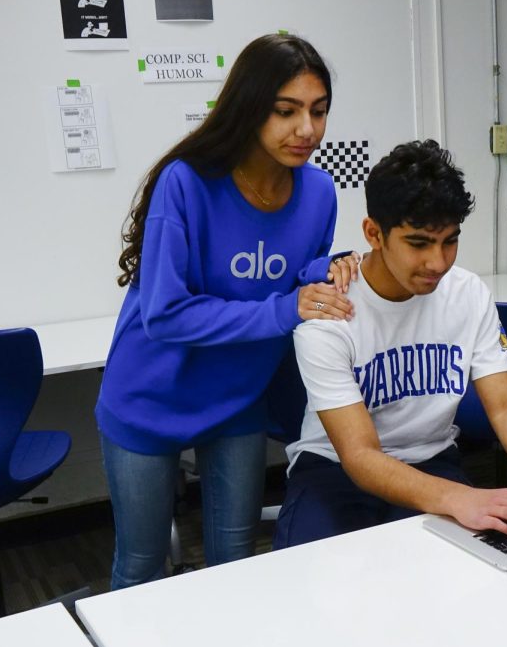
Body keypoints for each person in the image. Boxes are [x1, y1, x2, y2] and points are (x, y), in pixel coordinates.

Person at [96, 34, 359, 590]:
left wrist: (327, 271)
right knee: (141, 566)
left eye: (318, 111)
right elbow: (164, 315)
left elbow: (295, 275)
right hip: (151, 395)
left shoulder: (319, 191)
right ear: (248, 108)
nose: (306, 130)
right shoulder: (188, 182)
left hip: (238, 396)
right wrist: (285, 308)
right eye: (285, 111)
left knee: (235, 561)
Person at [273, 140, 507, 549]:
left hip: (433, 460)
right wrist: (458, 498)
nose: (438, 262)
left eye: (450, 241)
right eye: (419, 243)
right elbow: (361, 456)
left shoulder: (468, 294)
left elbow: (506, 405)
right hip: (335, 471)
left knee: (477, 572)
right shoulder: (330, 308)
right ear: (374, 233)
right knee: (319, 584)